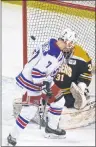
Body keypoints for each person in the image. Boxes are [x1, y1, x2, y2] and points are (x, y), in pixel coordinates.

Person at [7, 28, 77, 146]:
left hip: (42, 79)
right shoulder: (53, 55)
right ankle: (12, 137)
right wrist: (44, 87)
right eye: (71, 44)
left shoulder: (52, 42)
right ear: (67, 41)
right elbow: (36, 72)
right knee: (29, 111)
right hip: (33, 82)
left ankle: (51, 128)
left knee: (59, 100)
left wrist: (46, 83)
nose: (71, 48)